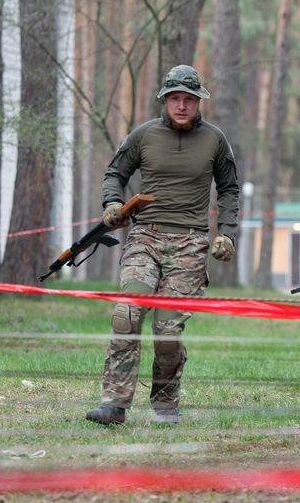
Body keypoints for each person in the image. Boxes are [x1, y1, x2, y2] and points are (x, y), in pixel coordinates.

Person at [85, 65, 240, 425]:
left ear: (199, 101)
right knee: (127, 313)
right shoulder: (143, 135)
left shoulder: (215, 140)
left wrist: (227, 233)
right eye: (175, 99)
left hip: (190, 242)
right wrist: (112, 203)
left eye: (189, 99)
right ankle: (114, 403)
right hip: (145, 237)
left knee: (168, 331)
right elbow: (115, 174)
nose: (182, 106)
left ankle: (166, 403)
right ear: (165, 100)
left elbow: (230, 189)